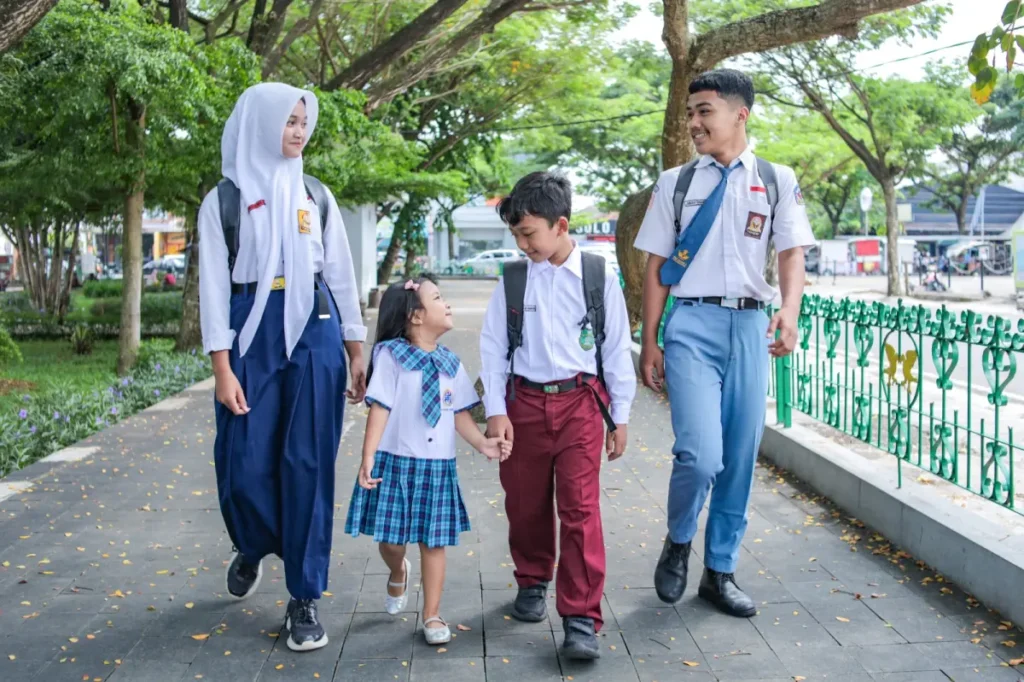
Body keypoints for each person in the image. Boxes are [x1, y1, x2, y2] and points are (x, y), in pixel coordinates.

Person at [633, 69, 812, 617]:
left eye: (704, 111)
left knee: (737, 458)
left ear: (741, 113)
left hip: (750, 328)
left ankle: (720, 572)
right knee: (699, 452)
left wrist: (788, 310)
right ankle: (679, 540)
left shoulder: (776, 180)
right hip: (692, 325)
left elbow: (791, 253)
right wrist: (651, 339)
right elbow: (657, 264)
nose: (693, 123)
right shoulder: (676, 184)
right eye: (690, 112)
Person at [198, 82, 367, 652]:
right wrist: (222, 368)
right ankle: (252, 542)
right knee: (243, 463)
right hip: (251, 324)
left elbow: (340, 272)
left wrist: (355, 344)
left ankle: (304, 596)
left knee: (308, 462)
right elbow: (215, 289)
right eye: (287, 121)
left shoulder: (314, 194)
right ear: (258, 124)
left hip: (315, 323)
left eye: (302, 121)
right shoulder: (223, 200)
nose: (297, 131)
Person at [480, 172, 637, 660]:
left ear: (561, 224)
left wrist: (622, 416)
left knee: (580, 509)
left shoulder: (597, 277)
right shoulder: (513, 279)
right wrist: (495, 412)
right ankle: (532, 579)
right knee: (524, 504)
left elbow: (615, 351)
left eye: (529, 233)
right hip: (523, 404)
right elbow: (492, 348)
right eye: (516, 236)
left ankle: (581, 618)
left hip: (581, 406)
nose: (522, 244)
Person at [345, 274, 510, 646]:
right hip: (395, 462)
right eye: (438, 298)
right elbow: (380, 407)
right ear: (416, 316)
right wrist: (367, 454)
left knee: (434, 543)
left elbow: (459, 413)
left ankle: (432, 614)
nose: (447, 304)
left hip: (437, 466)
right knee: (390, 539)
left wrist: (484, 444)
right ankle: (396, 569)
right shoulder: (390, 356)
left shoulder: (451, 363)